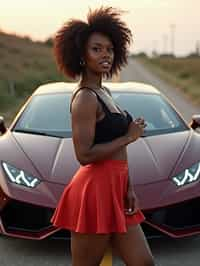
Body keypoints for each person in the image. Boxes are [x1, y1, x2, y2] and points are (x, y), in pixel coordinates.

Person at [51, 6, 155, 266]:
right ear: (81, 55)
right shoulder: (85, 98)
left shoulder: (104, 91)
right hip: (93, 190)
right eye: (96, 49)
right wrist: (128, 137)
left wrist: (128, 187)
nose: (105, 54)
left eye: (109, 49)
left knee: (144, 263)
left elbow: (119, 150)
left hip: (117, 187)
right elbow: (84, 155)